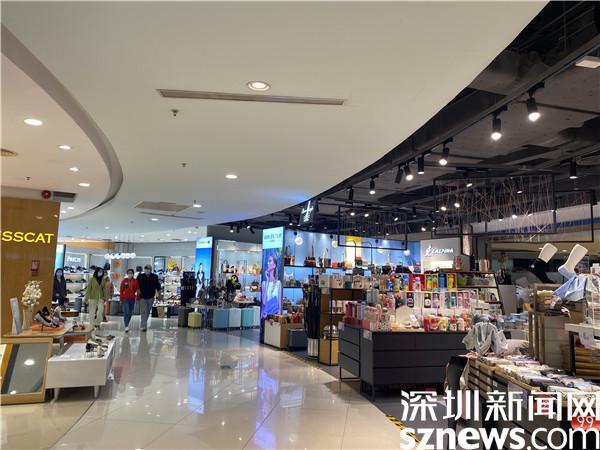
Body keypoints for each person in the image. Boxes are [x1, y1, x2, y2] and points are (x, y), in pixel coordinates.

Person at [136, 264, 161, 332]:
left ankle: (144, 323)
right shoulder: (140, 276)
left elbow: (158, 286)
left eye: (148, 269)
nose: (147, 270)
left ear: (151, 269)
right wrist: (138, 291)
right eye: (146, 269)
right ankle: (143, 326)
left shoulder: (155, 277)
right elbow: (136, 285)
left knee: (147, 312)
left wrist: (159, 295)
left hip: (151, 297)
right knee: (143, 312)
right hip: (142, 297)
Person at [261, 251, 281, 317]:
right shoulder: (264, 283)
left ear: (274, 265)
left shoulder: (278, 283)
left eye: (270, 261)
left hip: (275, 316)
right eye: (268, 261)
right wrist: (267, 281)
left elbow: (279, 305)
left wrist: (277, 316)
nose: (267, 263)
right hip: (266, 316)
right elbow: (264, 302)